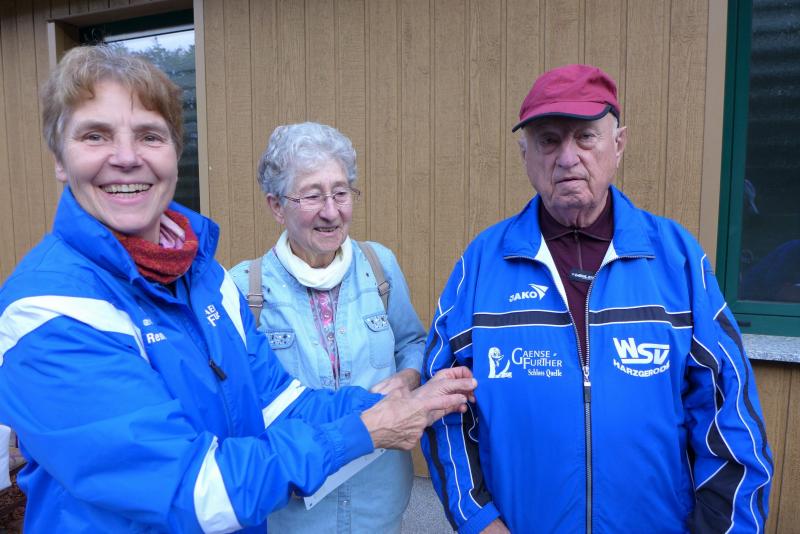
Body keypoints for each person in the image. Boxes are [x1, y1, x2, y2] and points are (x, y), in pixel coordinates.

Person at [0, 45, 476, 533]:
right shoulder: (51, 309)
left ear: (175, 153)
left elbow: (280, 404)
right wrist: (365, 430)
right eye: (95, 135)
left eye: (149, 135)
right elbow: (196, 492)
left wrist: (410, 402)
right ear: (60, 158)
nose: (126, 157)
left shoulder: (204, 280)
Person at [422, 64, 773, 533]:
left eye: (585, 137)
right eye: (549, 141)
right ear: (525, 154)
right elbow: (442, 407)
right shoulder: (482, 264)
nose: (568, 158)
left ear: (618, 145)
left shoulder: (676, 260)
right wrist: (480, 521)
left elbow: (730, 419)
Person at [228, 122, 424, 533]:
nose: (331, 211)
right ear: (276, 206)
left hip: (379, 498)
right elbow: (235, 402)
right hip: (293, 509)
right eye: (312, 195)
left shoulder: (380, 267)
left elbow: (413, 342)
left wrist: (409, 376)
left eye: (341, 192)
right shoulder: (244, 288)